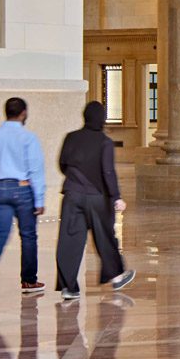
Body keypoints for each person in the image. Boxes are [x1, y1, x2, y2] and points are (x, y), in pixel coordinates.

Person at [54, 100, 134, 300]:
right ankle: (116, 276)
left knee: (69, 240)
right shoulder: (104, 142)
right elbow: (108, 172)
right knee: (105, 236)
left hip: (72, 195)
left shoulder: (71, 138)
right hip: (97, 197)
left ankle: (69, 287)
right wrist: (116, 197)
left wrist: (76, 180)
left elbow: (62, 163)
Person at [0, 95, 48, 300]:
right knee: (28, 235)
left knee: (0, 233)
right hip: (21, 189)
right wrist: (39, 199)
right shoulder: (28, 138)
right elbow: (36, 170)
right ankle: (29, 281)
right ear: (24, 113)